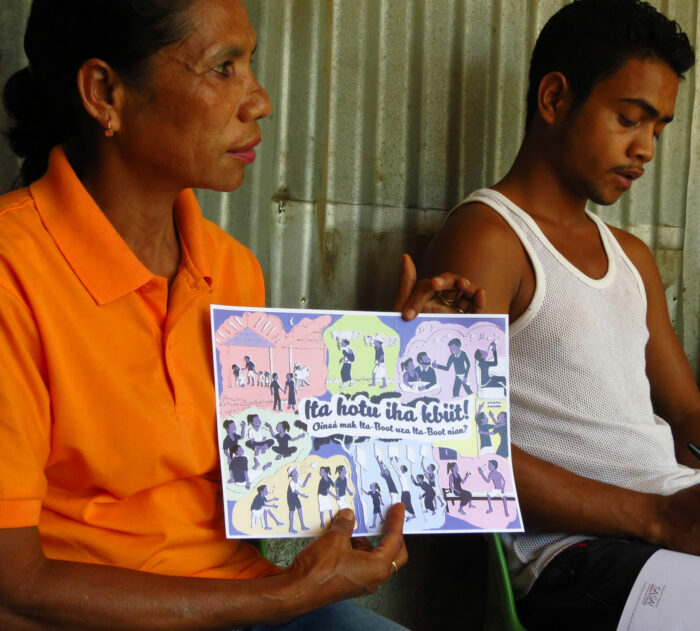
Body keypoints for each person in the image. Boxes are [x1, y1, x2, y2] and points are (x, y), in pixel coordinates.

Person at [0, 2, 415, 629]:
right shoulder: (13, 274)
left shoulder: (229, 267)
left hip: (242, 600)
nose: (260, 102)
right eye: (224, 68)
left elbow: (279, 486)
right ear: (104, 92)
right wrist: (283, 597)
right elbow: (16, 584)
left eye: (251, 64)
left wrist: (406, 361)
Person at [416, 0, 700, 628]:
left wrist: (676, 509)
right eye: (630, 119)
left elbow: (685, 411)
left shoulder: (631, 258)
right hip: (573, 555)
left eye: (659, 129)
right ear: (553, 99)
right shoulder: (490, 239)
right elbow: (449, 443)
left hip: (671, 524)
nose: (646, 149)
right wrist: (657, 517)